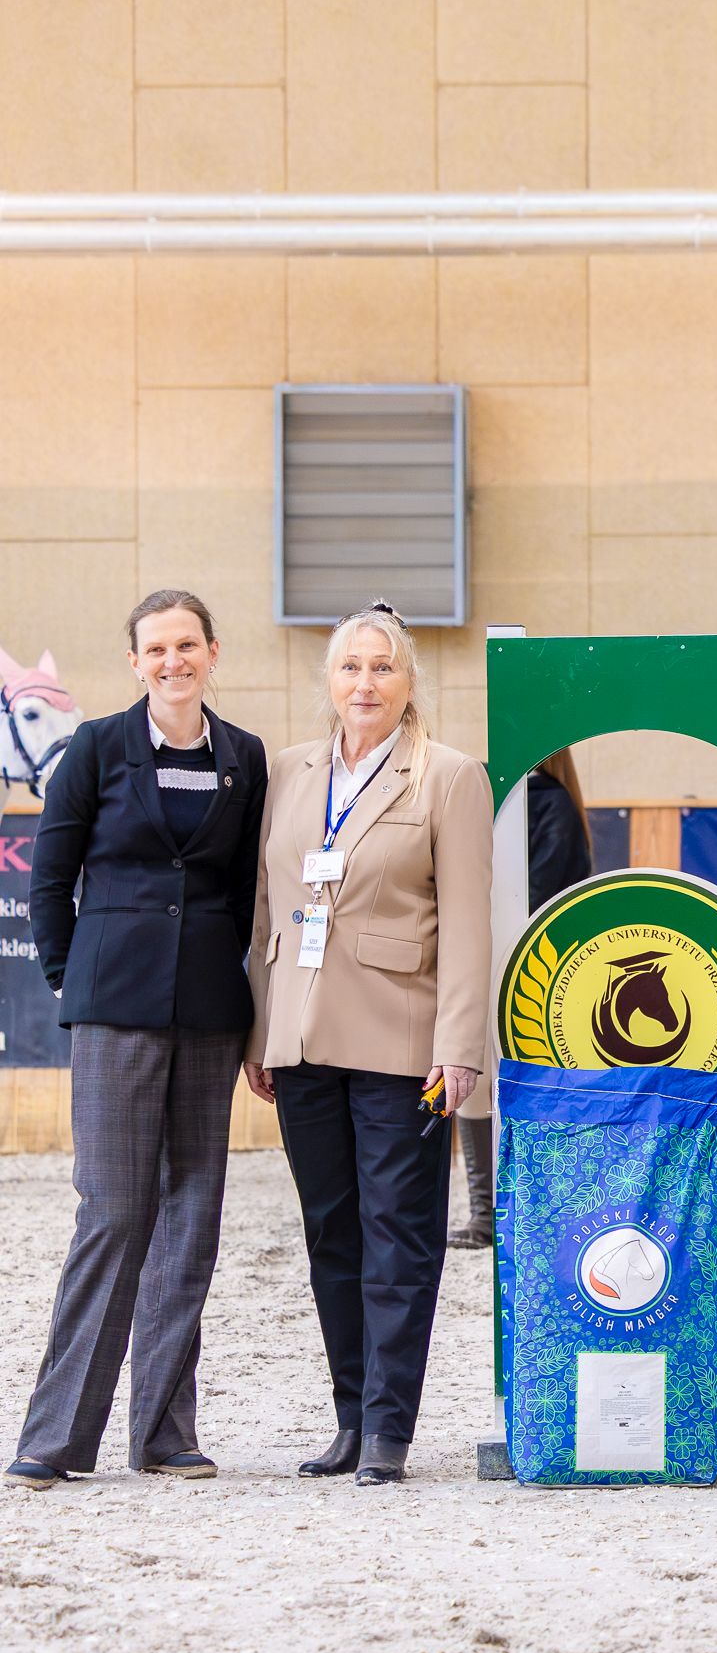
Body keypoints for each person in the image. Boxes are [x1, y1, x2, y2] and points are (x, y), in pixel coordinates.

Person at [8, 593, 268, 1491]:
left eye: (186, 645)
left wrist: (253, 1016)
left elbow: (244, 894)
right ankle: (55, 1435)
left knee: (191, 1220)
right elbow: (51, 876)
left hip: (207, 1011)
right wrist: (63, 979)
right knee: (115, 1211)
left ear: (212, 651)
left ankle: (164, 1431)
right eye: (155, 648)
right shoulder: (95, 749)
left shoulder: (244, 758)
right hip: (112, 1009)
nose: (172, 661)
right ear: (133, 660)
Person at [246, 602, 494, 1486]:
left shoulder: (451, 776)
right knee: (332, 1234)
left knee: (401, 1234)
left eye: (383, 667)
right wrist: (259, 1028)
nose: (365, 683)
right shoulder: (289, 772)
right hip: (302, 1037)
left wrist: (460, 1044)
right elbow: (268, 908)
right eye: (351, 667)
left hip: (404, 1043)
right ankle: (350, 1417)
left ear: (410, 682)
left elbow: (470, 923)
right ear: (329, 679)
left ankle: (390, 1429)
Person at [450, 747, 590, 1249]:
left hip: (520, 961)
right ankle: (487, 1211)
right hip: (495, 954)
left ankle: (502, 1212)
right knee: (473, 1073)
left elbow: (544, 888)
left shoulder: (546, 803)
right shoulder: (507, 797)